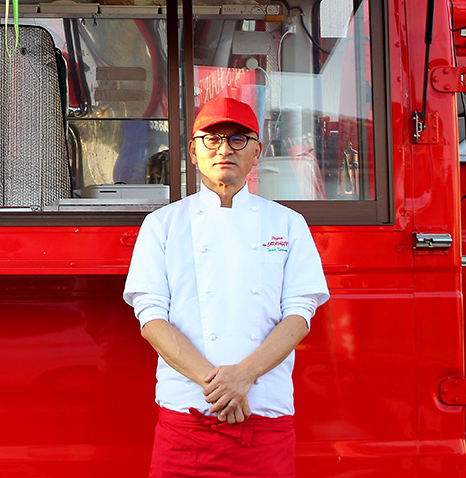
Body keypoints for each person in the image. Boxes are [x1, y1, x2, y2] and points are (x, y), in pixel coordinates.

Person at [123, 96, 329, 478]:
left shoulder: (287, 224)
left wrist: (245, 376)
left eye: (237, 139)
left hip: (263, 412)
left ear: (256, 151)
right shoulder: (162, 225)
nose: (224, 149)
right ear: (193, 151)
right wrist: (221, 386)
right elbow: (151, 318)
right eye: (212, 139)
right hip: (188, 415)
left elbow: (299, 315)